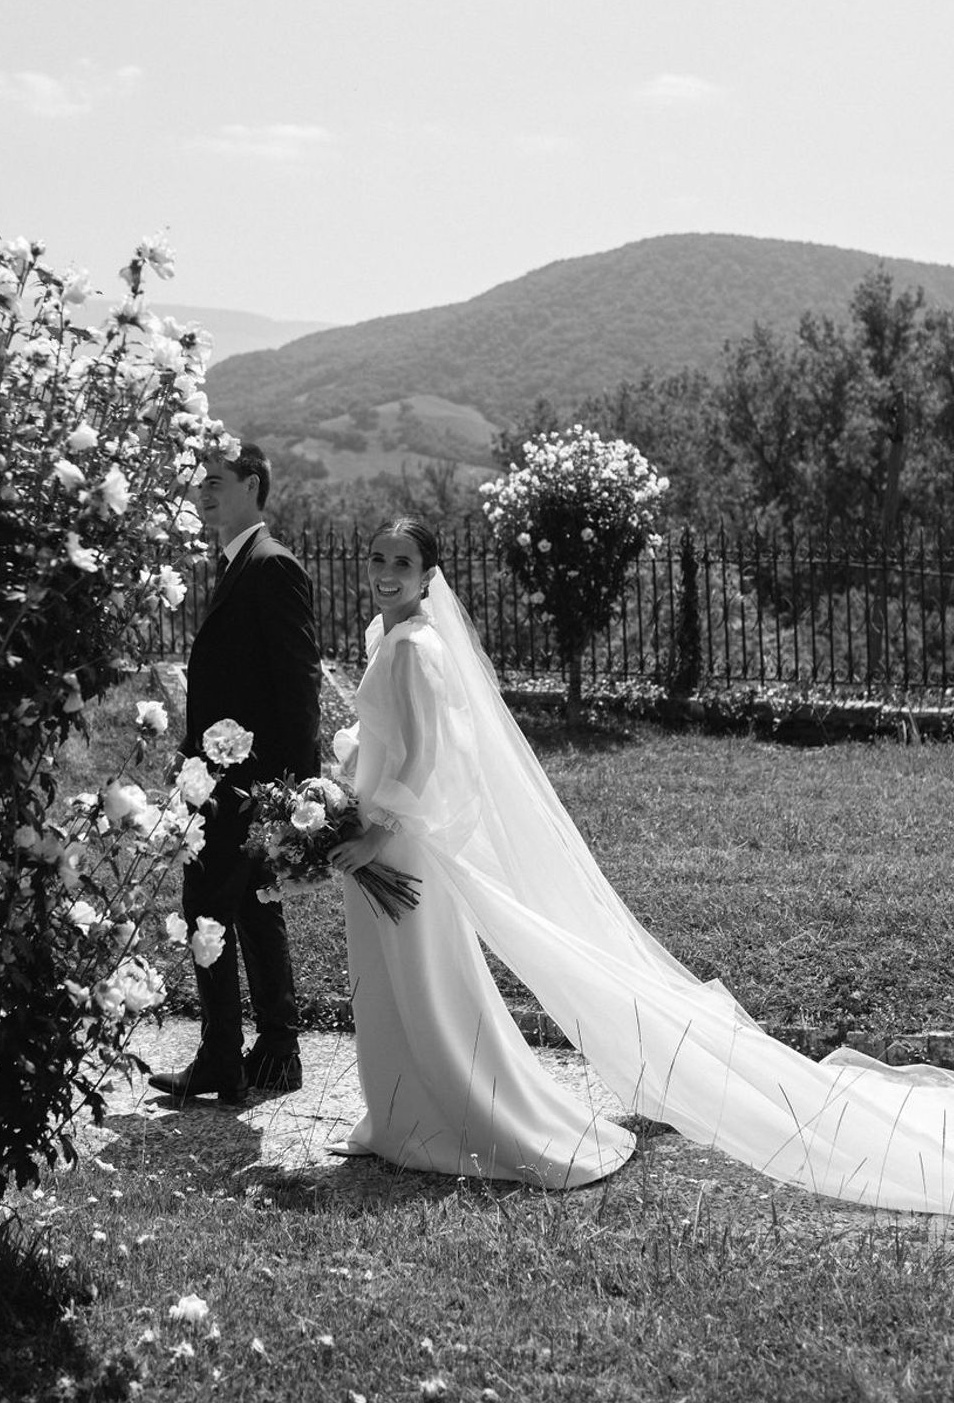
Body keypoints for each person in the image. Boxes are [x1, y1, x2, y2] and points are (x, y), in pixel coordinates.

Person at [327, 516, 954, 1209]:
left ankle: (470, 1118)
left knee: (424, 987)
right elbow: (393, 738)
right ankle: (397, 1117)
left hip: (392, 841)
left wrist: (372, 834)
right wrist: (351, 760)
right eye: (378, 558)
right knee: (381, 981)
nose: (386, 572)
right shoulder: (385, 636)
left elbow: (423, 755)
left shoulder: (416, 646)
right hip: (372, 828)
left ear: (428, 575)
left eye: (402, 562)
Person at [149, 442, 321, 1106]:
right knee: (254, 909)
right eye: (197, 484)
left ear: (254, 484)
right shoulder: (238, 564)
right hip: (233, 781)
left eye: (216, 482)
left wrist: (296, 791)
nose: (203, 494)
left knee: (205, 910)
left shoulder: (271, 566)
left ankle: (222, 1057)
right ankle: (277, 1054)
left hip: (247, 786)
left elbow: (298, 683)